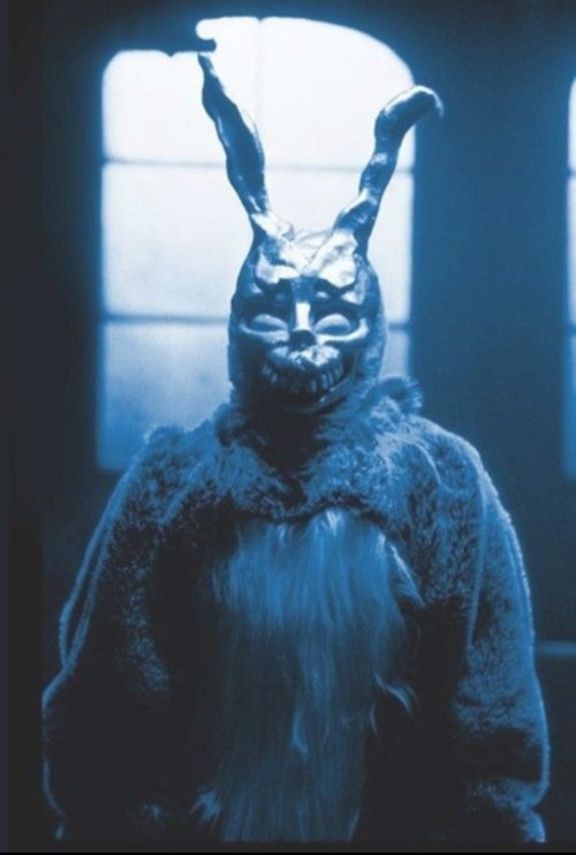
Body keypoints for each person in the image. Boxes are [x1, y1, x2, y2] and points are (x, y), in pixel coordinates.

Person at [43, 54, 549, 844]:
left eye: (335, 311)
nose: (305, 332)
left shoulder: (441, 481)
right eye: (274, 308)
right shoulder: (176, 479)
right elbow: (109, 701)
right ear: (238, 317)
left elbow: (489, 704)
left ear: (369, 322)